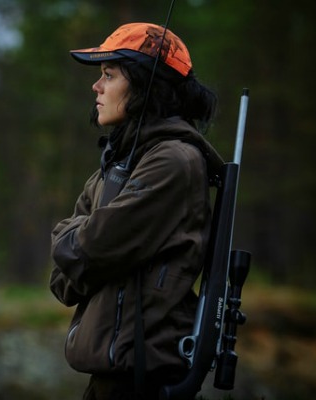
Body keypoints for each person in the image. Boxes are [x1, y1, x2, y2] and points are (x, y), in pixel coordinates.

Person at [49, 22, 224, 400]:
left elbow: (89, 247)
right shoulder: (119, 163)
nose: (96, 88)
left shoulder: (173, 160)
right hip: (112, 376)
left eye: (109, 76)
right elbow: (62, 280)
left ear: (146, 87)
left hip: (143, 378)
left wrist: (82, 245)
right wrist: (83, 248)